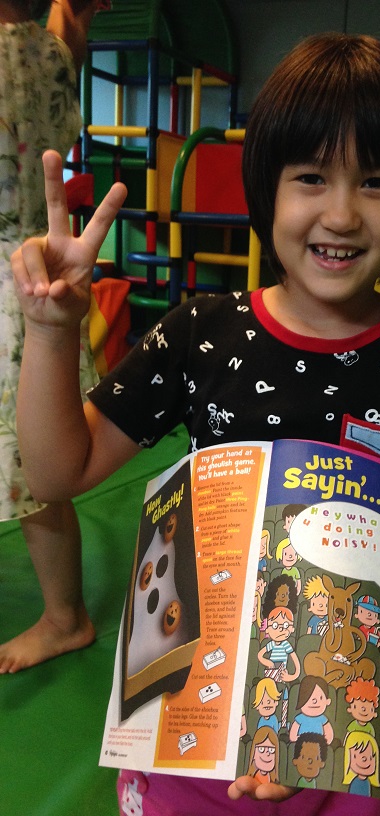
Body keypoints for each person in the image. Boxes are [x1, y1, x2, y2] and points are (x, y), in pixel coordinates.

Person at [12, 30, 380, 816]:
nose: (342, 214)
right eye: (311, 177)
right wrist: (51, 331)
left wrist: (337, 665)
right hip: (205, 716)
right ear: (266, 187)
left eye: (377, 181)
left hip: (366, 709)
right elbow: (56, 472)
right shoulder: (201, 332)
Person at [0, 0, 99, 674]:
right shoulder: (51, 50)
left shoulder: (20, 51)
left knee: (31, 466)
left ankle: (65, 616)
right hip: (33, 266)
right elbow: (69, 40)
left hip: (17, 284)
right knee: (30, 460)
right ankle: (64, 613)